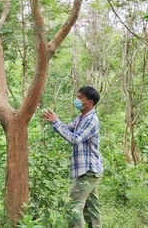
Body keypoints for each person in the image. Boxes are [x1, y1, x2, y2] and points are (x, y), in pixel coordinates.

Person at [43, 86, 104, 228]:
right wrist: (54, 121)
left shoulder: (91, 119)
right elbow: (67, 128)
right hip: (89, 170)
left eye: (80, 97)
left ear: (89, 102)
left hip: (88, 170)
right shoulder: (81, 117)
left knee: (72, 207)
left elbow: (74, 139)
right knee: (92, 209)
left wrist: (56, 122)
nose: (76, 100)